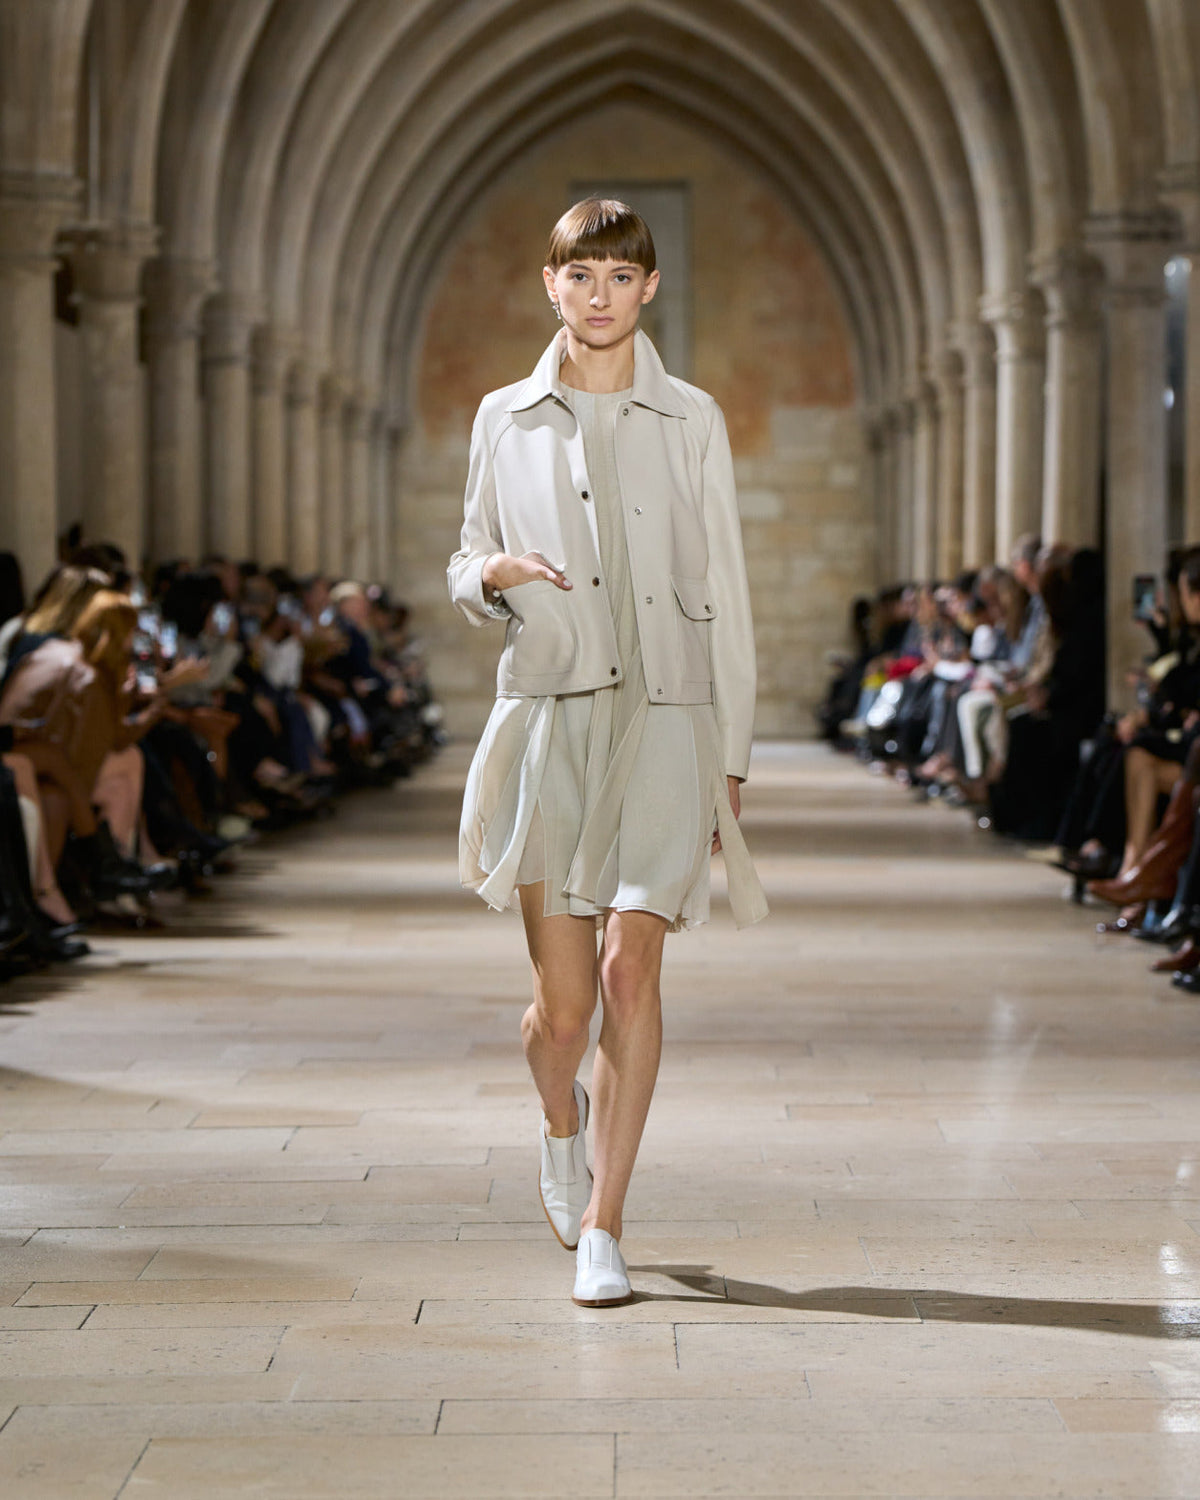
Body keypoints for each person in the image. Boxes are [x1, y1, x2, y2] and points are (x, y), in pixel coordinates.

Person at [448, 198, 767, 1308]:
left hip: (670, 718)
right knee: (566, 1010)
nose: (598, 295)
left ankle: (605, 1224)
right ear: (551, 284)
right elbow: (465, 557)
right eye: (580, 275)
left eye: (619, 277)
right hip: (553, 721)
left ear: (649, 288)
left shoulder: (693, 418)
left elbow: (726, 584)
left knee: (635, 968)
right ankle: (559, 1122)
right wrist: (494, 577)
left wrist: (733, 752)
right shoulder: (503, 417)